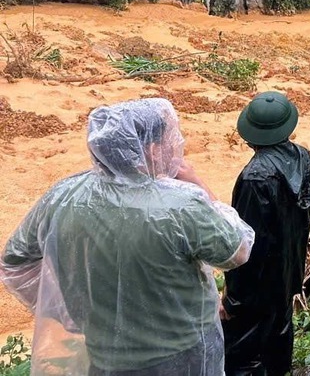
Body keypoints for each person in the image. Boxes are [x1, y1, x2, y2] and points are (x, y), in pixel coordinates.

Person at [0, 98, 254, 376]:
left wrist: (69, 311)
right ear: (152, 150)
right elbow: (237, 249)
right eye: (172, 138)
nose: (177, 147)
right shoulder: (181, 205)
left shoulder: (62, 196)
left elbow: (14, 261)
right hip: (182, 355)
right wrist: (198, 185)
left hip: (106, 356)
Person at [222, 91, 310, 376]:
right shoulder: (303, 158)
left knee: (243, 360)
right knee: (277, 348)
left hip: (256, 288)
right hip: (287, 275)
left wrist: (232, 297)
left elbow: (250, 244)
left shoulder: (255, 177)